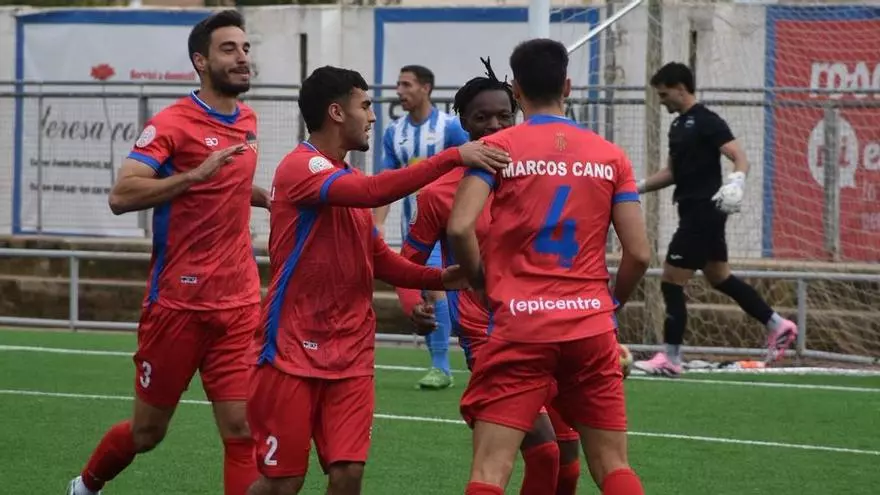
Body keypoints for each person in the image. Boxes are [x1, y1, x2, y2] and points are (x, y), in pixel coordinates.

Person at [245, 65, 508, 495]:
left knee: (348, 474)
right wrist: (453, 156)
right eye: (365, 106)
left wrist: (441, 277)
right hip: (291, 349)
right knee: (283, 482)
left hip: (351, 352)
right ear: (336, 112)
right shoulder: (302, 167)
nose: (372, 116)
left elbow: (379, 259)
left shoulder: (346, 178)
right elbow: (375, 193)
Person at [67, 10, 268, 495]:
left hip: (239, 302)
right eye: (228, 49)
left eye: (245, 48)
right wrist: (193, 176)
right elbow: (122, 195)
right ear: (201, 61)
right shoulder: (171, 123)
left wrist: (267, 197)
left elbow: (226, 184)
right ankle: (86, 486)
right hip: (178, 306)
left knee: (242, 430)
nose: (242, 57)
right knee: (147, 434)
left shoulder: (247, 118)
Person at [447, 39, 650, 495]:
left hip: (521, 324)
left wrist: (480, 282)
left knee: (490, 470)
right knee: (613, 465)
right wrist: (611, 303)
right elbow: (639, 253)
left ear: (516, 91)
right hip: (589, 325)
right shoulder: (610, 156)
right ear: (568, 86)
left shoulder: (497, 148)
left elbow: (460, 227)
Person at [395, 57, 582, 495]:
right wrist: (413, 304)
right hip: (487, 337)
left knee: (569, 462)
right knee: (543, 452)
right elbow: (408, 264)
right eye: (482, 118)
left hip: (548, 329)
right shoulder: (440, 192)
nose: (494, 126)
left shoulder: (541, 176)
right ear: (463, 122)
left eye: (503, 115)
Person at [633, 62, 799, 378]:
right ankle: (778, 324)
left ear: (681, 88)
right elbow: (671, 173)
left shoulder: (707, 121)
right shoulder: (677, 126)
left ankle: (671, 357)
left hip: (703, 213)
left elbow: (740, 157)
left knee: (671, 280)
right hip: (693, 212)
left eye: (665, 94)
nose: (662, 101)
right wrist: (635, 187)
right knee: (719, 277)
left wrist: (737, 181)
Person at [374, 65, 471, 390]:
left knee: (435, 288)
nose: (400, 91)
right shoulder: (394, 132)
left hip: (447, 230)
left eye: (407, 85)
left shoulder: (450, 127)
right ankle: (440, 364)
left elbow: (469, 166)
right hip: (414, 229)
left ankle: (442, 366)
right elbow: (387, 182)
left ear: (426, 88)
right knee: (420, 292)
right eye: (398, 85)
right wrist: (378, 224)